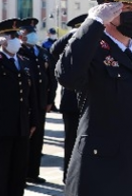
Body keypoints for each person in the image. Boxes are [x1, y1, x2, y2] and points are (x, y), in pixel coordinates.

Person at [56, 0, 132, 195]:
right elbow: (67, 75)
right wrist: (93, 23)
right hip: (101, 171)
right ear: (108, 10)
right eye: (127, 7)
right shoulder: (91, 48)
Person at [0, 18, 37, 196]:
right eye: (10, 36)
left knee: (19, 173)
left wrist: (34, 121)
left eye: (16, 35)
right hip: (2, 128)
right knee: (1, 175)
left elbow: (33, 95)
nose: (15, 39)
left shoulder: (24, 61)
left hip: (22, 127)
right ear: (1, 39)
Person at [49, 13, 87, 183]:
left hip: (87, 101)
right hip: (71, 103)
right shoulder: (69, 43)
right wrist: (73, 34)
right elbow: (53, 50)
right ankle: (69, 176)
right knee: (72, 142)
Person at [18, 18, 56, 185]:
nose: (32, 35)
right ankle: (21, 174)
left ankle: (33, 172)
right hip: (24, 104)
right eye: (28, 33)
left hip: (40, 103)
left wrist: (50, 100)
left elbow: (50, 77)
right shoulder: (18, 52)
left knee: (38, 140)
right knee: (24, 142)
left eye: (33, 32)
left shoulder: (40, 51)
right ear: (21, 36)